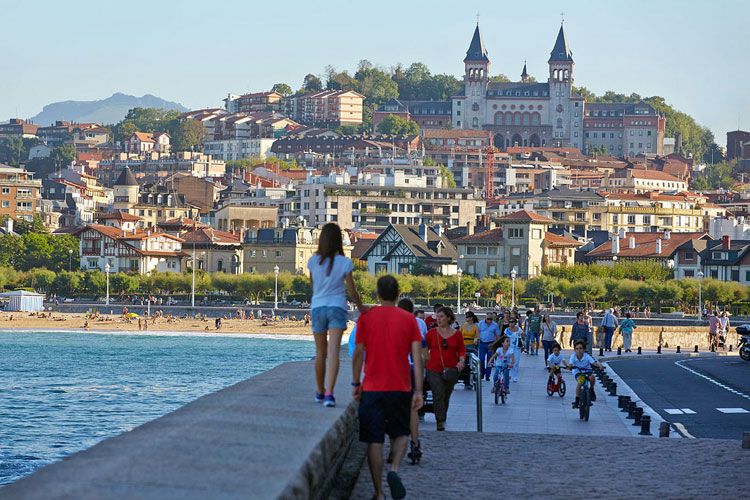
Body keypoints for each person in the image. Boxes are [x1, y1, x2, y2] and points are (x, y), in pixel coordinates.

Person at [352, 275, 424, 500]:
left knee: (374, 440)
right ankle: (394, 470)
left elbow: (358, 352)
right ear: (398, 294)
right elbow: (417, 357)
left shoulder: (367, 318)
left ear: (378, 294)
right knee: (401, 433)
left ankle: (378, 492)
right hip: (400, 386)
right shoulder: (408, 319)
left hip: (372, 386)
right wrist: (419, 390)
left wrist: (356, 382)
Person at [309, 222, 366, 408]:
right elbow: (351, 291)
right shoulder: (345, 263)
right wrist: (361, 307)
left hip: (318, 307)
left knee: (320, 352)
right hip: (337, 308)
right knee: (333, 351)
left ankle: (318, 390)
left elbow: (313, 287)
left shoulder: (313, 261)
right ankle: (329, 394)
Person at [396, 298, 427, 466]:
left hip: (394, 371)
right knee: (412, 410)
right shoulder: (417, 325)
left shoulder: (391, 324)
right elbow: (424, 355)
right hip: (411, 369)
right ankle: (415, 444)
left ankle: (395, 446)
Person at [425, 306, 465, 431]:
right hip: (433, 368)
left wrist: (461, 361)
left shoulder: (457, 334)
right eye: (437, 316)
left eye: (441, 316)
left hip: (451, 370)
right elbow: (424, 347)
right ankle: (440, 420)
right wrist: (424, 359)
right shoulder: (432, 333)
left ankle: (442, 415)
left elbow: (462, 350)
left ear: (449, 318)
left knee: (446, 395)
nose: (439, 319)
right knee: (438, 393)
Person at [567, 340, 604, 409]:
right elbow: (571, 363)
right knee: (580, 382)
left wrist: (599, 365)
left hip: (587, 371)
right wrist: (569, 367)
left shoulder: (587, 356)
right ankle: (577, 401)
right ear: (574, 350)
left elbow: (594, 363)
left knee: (592, 377)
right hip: (578, 371)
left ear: (584, 349)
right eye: (577, 349)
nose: (579, 350)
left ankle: (591, 389)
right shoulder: (573, 356)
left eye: (581, 348)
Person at [476, 313, 500, 381]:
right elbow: (477, 332)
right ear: (485, 318)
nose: (489, 320)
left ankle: (488, 375)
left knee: (490, 361)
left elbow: (498, 336)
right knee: (481, 359)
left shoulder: (495, 325)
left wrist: (494, 344)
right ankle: (482, 373)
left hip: (491, 344)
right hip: (482, 343)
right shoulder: (480, 323)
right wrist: (477, 339)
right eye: (488, 319)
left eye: (491, 319)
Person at [505, 317, 524, 383]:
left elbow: (523, 337)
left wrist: (520, 339)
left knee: (516, 362)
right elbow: (505, 339)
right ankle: (509, 375)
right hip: (509, 347)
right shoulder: (506, 330)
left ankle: (515, 376)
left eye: (512, 322)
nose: (511, 323)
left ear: (515, 323)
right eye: (509, 322)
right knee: (508, 361)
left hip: (517, 348)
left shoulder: (519, 329)